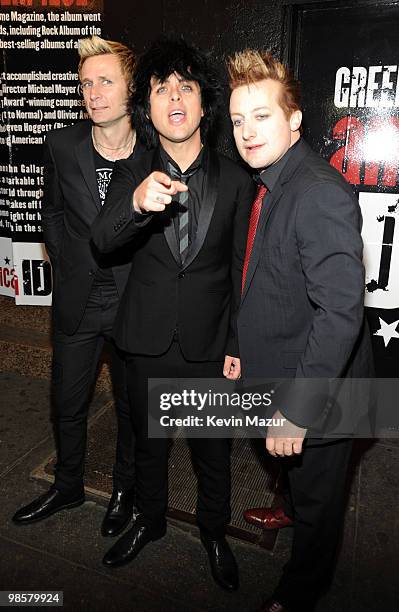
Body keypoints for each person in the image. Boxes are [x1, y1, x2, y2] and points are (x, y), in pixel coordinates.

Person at [91, 36, 254, 591]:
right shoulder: (132, 168)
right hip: (145, 341)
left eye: (186, 87)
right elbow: (101, 238)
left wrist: (236, 344)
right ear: (148, 106)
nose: (175, 98)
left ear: (205, 104)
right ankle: (150, 520)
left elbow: (240, 274)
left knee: (213, 452)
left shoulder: (237, 180)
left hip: (209, 345)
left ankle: (214, 532)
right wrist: (136, 204)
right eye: (162, 89)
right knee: (148, 449)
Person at [227, 50, 373, 611]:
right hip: (281, 363)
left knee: (320, 502)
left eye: (261, 116)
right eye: (238, 121)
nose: (247, 132)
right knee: (295, 476)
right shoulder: (270, 180)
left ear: (294, 120)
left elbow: (340, 314)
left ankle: (302, 589)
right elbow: (261, 278)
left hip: (322, 391)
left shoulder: (319, 194)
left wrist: (298, 409)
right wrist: (240, 346)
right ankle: (286, 505)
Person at [13, 36, 142, 539]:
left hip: (135, 303)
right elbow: (53, 214)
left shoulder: (155, 148)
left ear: (131, 89)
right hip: (79, 299)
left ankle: (124, 491)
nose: (93, 93)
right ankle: (67, 486)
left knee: (133, 409)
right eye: (86, 83)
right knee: (67, 402)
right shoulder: (62, 145)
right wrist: (70, 265)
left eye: (105, 81)